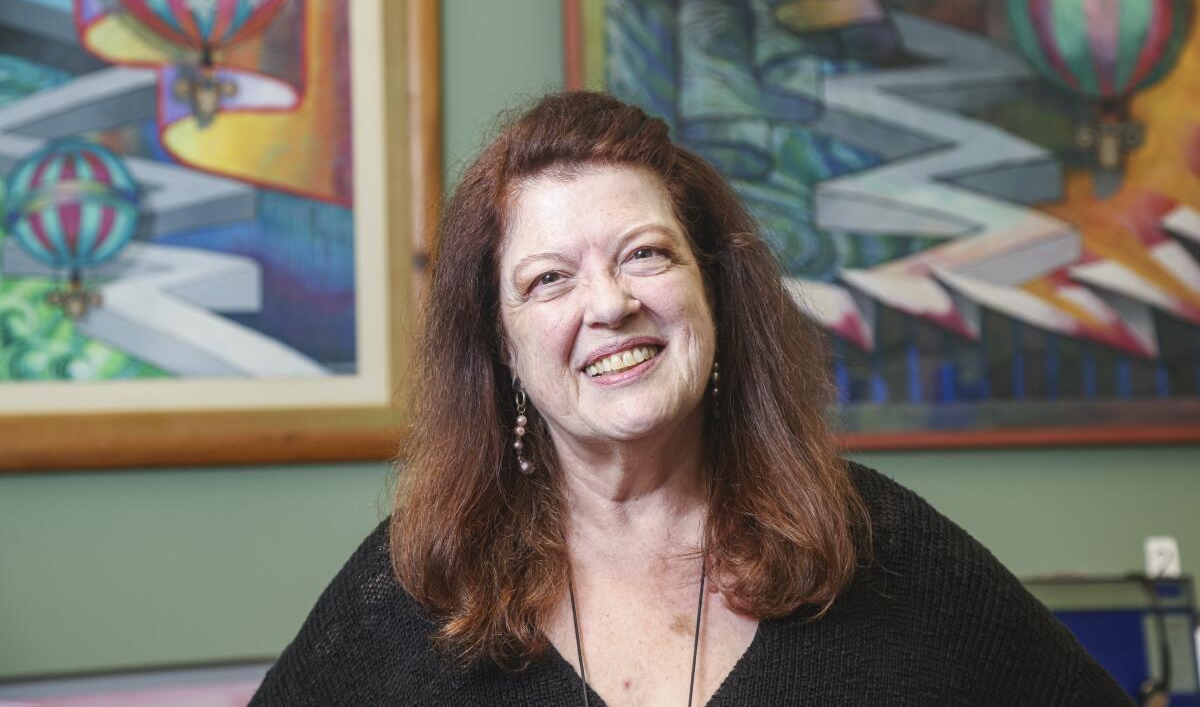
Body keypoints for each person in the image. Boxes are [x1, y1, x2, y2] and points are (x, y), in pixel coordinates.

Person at [251, 91, 1132, 706]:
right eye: (550, 278)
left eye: (646, 254)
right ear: (502, 347)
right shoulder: (418, 581)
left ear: (713, 292)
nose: (609, 303)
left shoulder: (880, 543)